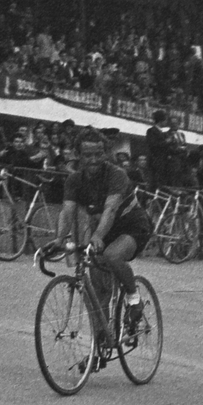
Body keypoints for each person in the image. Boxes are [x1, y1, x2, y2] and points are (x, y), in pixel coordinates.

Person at [49, 127, 153, 343]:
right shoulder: (74, 180)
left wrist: (97, 235)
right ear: (78, 155)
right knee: (98, 291)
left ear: (105, 153)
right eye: (87, 155)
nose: (93, 160)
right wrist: (59, 239)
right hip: (104, 229)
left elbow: (111, 209)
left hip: (131, 225)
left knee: (112, 256)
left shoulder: (116, 175)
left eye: (98, 154)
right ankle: (101, 342)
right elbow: (67, 211)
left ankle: (134, 300)